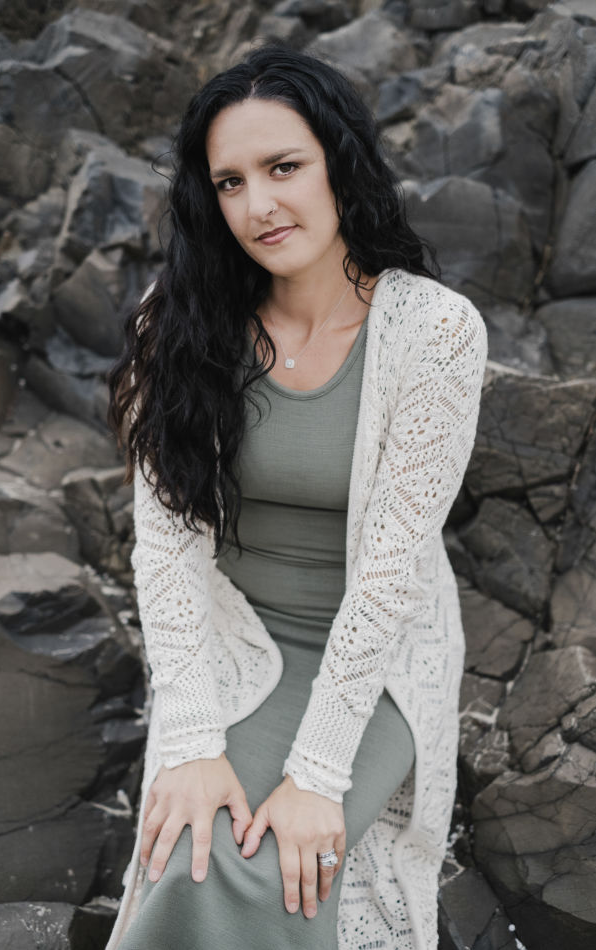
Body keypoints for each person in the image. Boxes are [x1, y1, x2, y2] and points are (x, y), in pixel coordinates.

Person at [105, 41, 487, 950]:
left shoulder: (434, 331)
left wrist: (317, 775)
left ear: (339, 162)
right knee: (190, 850)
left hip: (377, 658)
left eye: (284, 167)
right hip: (236, 633)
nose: (259, 206)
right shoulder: (180, 318)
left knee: (277, 863)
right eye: (230, 183)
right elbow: (166, 545)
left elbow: (390, 577)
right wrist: (191, 742)